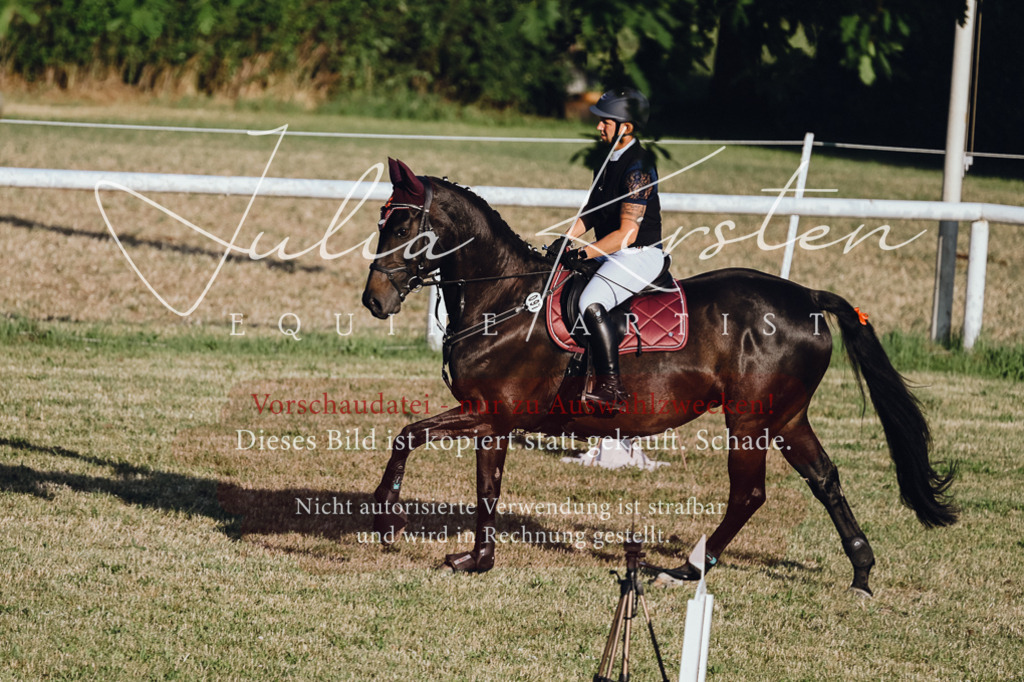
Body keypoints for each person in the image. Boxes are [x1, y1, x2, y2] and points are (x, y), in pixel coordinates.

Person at [562, 87, 665, 411]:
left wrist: (581, 253)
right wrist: (563, 241)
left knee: (591, 301)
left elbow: (627, 235)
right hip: (610, 252)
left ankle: (611, 386)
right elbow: (592, 211)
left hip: (639, 255)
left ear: (627, 128)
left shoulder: (639, 169)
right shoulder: (606, 159)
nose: (598, 127)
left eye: (605, 122)